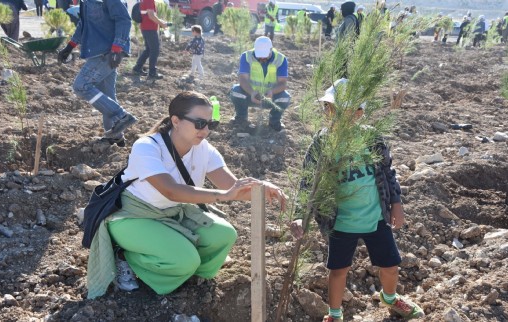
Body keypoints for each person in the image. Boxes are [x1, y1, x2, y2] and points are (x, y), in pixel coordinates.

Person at [85, 91, 287, 299]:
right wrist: (225, 195)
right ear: (176, 121)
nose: (206, 131)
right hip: (135, 216)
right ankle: (124, 254)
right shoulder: (147, 147)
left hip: (173, 212)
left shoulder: (204, 149)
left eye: (211, 124)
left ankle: (189, 276)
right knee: (184, 260)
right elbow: (171, 191)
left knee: (224, 235)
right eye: (200, 123)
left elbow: (231, 186)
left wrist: (263, 189)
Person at [290, 79, 425, 322]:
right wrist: (301, 214)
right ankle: (334, 314)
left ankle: (390, 297)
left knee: (391, 266)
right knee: (338, 270)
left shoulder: (372, 138)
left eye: (345, 110)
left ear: (359, 112)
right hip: (340, 222)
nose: (336, 115)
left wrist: (396, 204)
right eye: (331, 109)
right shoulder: (322, 143)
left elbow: (388, 172)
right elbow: (307, 181)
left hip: (375, 218)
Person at [57, 0, 137, 147]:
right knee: (106, 95)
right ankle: (114, 135)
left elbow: (123, 19)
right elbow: (83, 24)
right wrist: (70, 46)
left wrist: (117, 48)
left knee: (81, 86)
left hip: (108, 52)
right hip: (97, 51)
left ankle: (121, 116)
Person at [229, 36, 290, 132]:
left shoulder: (281, 59)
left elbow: (282, 83)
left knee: (285, 97)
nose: (262, 57)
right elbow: (242, 79)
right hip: (250, 95)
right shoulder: (246, 57)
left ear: (271, 49)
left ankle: (274, 121)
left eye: (264, 55)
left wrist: (272, 91)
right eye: (259, 55)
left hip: (270, 98)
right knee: (235, 91)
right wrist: (252, 92)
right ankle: (241, 118)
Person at [132, 0, 170, 81]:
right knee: (155, 50)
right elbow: (151, 16)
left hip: (146, 28)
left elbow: (148, 15)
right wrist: (162, 24)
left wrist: (160, 21)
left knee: (149, 50)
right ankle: (152, 72)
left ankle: (137, 68)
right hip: (150, 29)